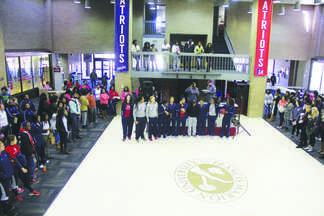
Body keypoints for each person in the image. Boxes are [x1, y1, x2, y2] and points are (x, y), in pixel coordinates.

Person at [0, 140, 19, 216]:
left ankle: (6, 206)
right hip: (2, 179)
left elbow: (8, 163)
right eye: (1, 145)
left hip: (8, 176)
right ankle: (6, 211)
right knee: (4, 194)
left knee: (7, 193)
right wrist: (3, 175)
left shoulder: (3, 153)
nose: (3, 145)